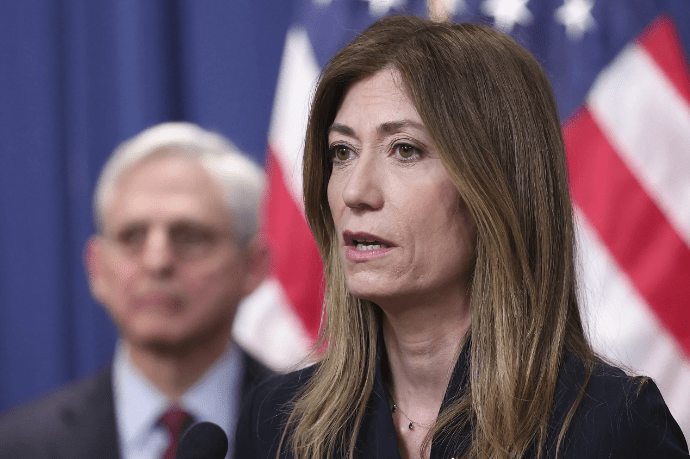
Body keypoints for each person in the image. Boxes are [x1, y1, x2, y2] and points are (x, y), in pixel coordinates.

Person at [234, 15, 689, 459]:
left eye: (405, 150)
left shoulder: (614, 426)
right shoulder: (277, 422)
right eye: (343, 151)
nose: (355, 192)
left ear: (498, 188)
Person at [0, 122, 272, 459]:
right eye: (132, 236)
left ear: (253, 266)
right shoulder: (16, 447)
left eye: (189, 236)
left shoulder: (316, 433)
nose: (157, 262)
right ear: (97, 269)